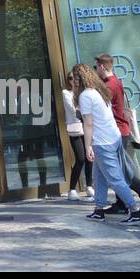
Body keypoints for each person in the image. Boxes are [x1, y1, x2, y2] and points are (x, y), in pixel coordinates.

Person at [74, 63, 140, 224]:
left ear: (79, 79)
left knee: (115, 178)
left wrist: (88, 146)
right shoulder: (99, 91)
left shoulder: (85, 96)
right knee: (99, 176)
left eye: (74, 78)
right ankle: (99, 209)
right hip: (113, 137)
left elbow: (88, 123)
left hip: (102, 142)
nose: (73, 82)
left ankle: (134, 211)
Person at [94, 55, 140, 215]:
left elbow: (99, 108)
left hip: (118, 132)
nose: (95, 71)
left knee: (122, 171)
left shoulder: (110, 85)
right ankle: (121, 203)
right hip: (118, 131)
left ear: (101, 67)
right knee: (119, 170)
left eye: (96, 68)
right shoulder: (113, 82)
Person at [62, 70, 92, 201]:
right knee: (80, 158)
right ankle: (72, 189)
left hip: (87, 126)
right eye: (70, 78)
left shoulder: (84, 92)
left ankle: (89, 186)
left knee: (89, 157)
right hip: (75, 128)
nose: (73, 81)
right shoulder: (66, 93)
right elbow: (73, 110)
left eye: (76, 78)